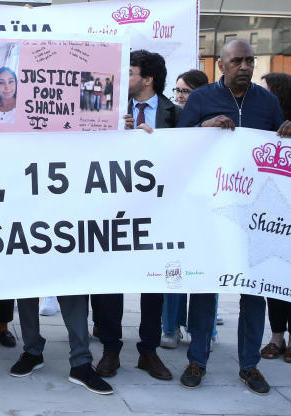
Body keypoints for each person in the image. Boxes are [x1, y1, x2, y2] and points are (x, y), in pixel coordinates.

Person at [176, 39, 291, 396]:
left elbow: (282, 144)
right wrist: (203, 127)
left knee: (253, 291)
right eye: (237, 61)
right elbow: (178, 144)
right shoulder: (201, 100)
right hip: (210, 209)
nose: (244, 66)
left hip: (255, 213)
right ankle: (197, 359)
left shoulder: (267, 101)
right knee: (204, 286)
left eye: (249, 60)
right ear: (221, 65)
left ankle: (250, 366)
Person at [91, 51, 178, 382]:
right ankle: (110, 350)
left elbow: (185, 154)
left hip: (157, 212)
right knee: (110, 283)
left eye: (129, 72)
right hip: (114, 210)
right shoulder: (107, 108)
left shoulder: (174, 113)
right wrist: (114, 131)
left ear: (147, 79)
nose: (120, 77)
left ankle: (148, 351)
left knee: (153, 284)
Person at [257, 72, 291, 365]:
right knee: (273, 279)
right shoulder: (264, 122)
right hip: (269, 211)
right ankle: (276, 337)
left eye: (266, 90)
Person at [161, 69, 210, 349]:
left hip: (202, 203)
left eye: (186, 91)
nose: (180, 96)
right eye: (177, 90)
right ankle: (170, 327)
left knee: (204, 269)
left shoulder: (215, 123)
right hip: (172, 204)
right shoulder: (168, 118)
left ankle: (204, 329)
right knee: (173, 266)